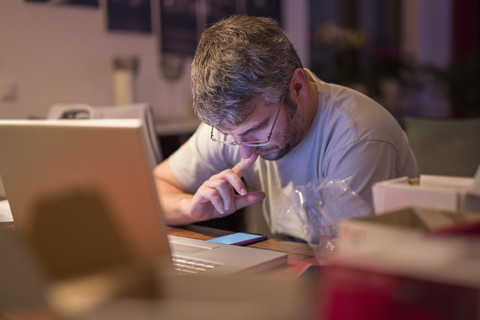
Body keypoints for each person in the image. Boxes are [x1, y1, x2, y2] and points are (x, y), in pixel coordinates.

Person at [153, 15, 420, 240]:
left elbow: (349, 264)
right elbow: (154, 187)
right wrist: (190, 208)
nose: (244, 151)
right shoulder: (239, 125)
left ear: (297, 87)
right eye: (229, 137)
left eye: (258, 129)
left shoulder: (359, 137)